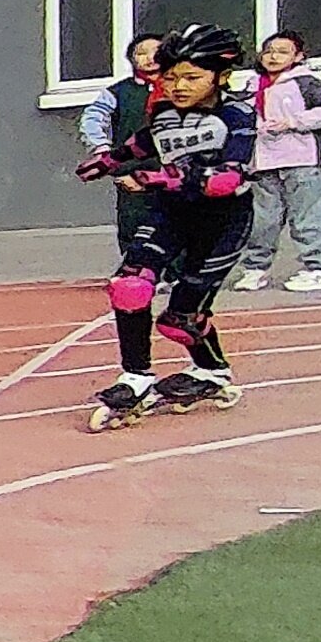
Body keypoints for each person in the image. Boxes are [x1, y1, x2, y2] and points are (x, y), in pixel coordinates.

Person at [80, 27, 259, 429]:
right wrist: (108, 161)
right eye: (171, 77)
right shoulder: (163, 112)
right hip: (169, 213)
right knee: (129, 286)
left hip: (222, 222)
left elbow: (227, 178)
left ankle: (212, 371)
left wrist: (166, 177)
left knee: (179, 319)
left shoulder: (237, 115)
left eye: (192, 77)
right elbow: (143, 143)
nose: (178, 86)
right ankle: (136, 377)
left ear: (220, 76)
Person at [251, 30, 321, 292]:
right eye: (269, 50)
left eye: (282, 51)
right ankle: (255, 268)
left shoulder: (306, 83)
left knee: (308, 216)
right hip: (264, 162)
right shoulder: (253, 84)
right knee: (263, 219)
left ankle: (320, 268)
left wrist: (293, 122)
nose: (273, 56)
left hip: (305, 159)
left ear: (298, 56)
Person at [81, 30, 176, 271]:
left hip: (171, 169)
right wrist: (103, 151)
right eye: (140, 53)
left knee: (174, 220)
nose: (149, 58)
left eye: (155, 51)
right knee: (132, 221)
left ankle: (174, 272)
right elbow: (92, 119)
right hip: (130, 168)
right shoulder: (119, 92)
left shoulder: (180, 87)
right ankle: (135, 269)